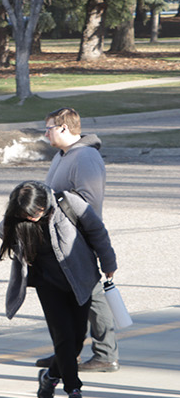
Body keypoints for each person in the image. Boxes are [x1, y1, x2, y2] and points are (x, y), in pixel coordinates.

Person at [0, 180, 116, 398]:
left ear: (45, 203)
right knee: (63, 338)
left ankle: (51, 376)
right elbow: (3, 231)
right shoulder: (17, 219)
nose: (32, 218)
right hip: (48, 285)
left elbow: (97, 231)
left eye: (36, 213)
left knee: (76, 339)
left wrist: (108, 263)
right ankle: (74, 392)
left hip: (81, 280)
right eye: (25, 214)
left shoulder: (67, 202)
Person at [39, 107, 118, 373]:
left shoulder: (85, 157)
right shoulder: (63, 155)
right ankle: (67, 353)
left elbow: (89, 205)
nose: (45, 133)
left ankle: (105, 355)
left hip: (78, 239)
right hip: (60, 236)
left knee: (92, 296)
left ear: (63, 128)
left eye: (49, 128)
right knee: (71, 295)